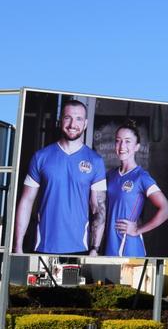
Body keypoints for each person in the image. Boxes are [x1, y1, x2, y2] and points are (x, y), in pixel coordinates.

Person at [13, 99, 107, 255]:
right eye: (68, 117)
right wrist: (17, 246)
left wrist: (95, 249)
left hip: (80, 248)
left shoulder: (95, 161)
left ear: (85, 123)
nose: (72, 124)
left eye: (78, 119)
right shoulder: (41, 157)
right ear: (60, 120)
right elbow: (27, 201)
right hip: (42, 245)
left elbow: (99, 208)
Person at [103, 121, 168, 257]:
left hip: (128, 246)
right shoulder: (110, 175)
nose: (122, 146)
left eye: (128, 141)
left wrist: (138, 229)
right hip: (109, 244)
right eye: (118, 141)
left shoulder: (141, 177)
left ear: (137, 147)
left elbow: (167, 210)